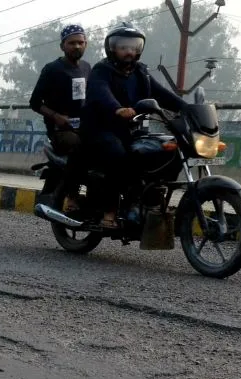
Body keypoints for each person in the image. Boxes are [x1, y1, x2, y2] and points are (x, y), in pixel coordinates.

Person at [81, 23, 187, 228]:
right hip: (99, 130)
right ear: (112, 48)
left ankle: (143, 199)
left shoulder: (141, 72)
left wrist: (188, 108)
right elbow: (101, 93)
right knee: (118, 155)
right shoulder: (102, 70)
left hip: (129, 130)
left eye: (133, 47)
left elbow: (161, 94)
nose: (129, 51)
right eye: (123, 47)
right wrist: (117, 108)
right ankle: (109, 211)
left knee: (163, 151)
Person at [29, 24, 91, 158]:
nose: (77, 46)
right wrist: (56, 116)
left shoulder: (87, 67)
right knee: (78, 146)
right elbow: (35, 102)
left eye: (80, 42)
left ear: (86, 44)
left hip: (84, 127)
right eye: (72, 43)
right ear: (62, 46)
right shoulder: (52, 69)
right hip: (61, 130)